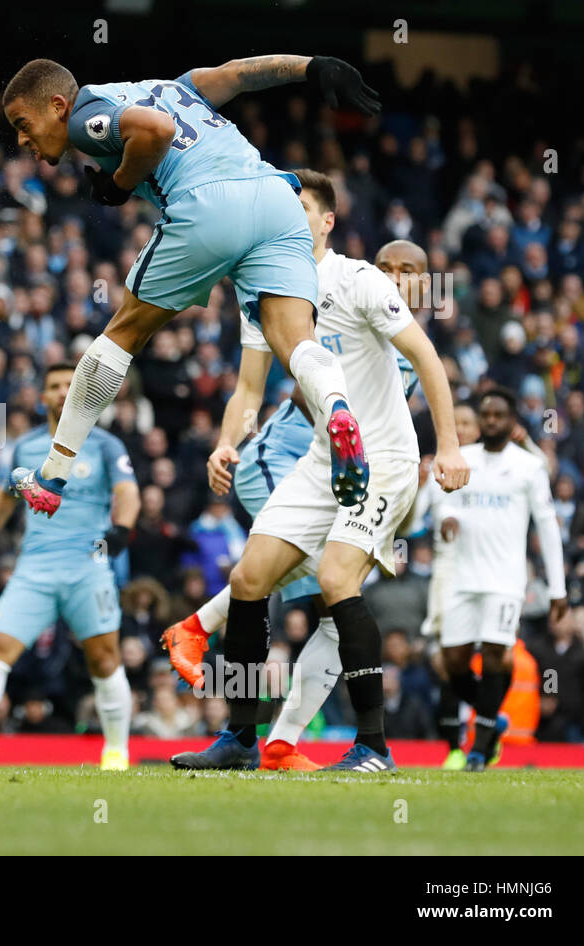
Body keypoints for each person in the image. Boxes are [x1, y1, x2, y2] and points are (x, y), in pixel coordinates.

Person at [2, 57, 426, 522]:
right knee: (296, 341)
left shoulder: (84, 117)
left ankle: (52, 476)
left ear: (58, 105)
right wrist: (312, 67)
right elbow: (241, 74)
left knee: (123, 333)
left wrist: (118, 185)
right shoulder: (166, 83)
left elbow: (157, 131)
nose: (23, 140)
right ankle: (339, 412)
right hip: (276, 199)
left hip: (209, 203)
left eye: (24, 124)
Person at [166, 172, 468, 772]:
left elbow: (427, 358)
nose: (287, 214)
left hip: (383, 462)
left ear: (326, 220)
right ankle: (242, 740)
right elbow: (249, 389)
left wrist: (451, 447)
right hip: (319, 463)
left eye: (299, 206)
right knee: (250, 578)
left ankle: (374, 748)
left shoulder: (357, 279)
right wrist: (228, 441)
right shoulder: (263, 293)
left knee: (335, 580)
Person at [0, 362, 140, 770]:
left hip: (87, 566)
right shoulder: (25, 447)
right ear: (42, 397)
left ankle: (116, 750)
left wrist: (123, 530)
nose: (62, 391)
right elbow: (5, 496)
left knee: (104, 658)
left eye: (69, 385)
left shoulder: (106, 445)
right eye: (54, 385)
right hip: (35, 566)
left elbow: (128, 492)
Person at [429, 387, 567, 770]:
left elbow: (548, 528)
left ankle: (481, 744)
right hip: (461, 576)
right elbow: (441, 503)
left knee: (494, 654)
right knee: (453, 661)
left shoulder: (528, 467)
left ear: (511, 422)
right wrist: (445, 521)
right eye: (485, 414)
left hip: (505, 580)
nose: (490, 421)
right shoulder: (461, 460)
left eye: (498, 415)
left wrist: (558, 590)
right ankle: (494, 720)